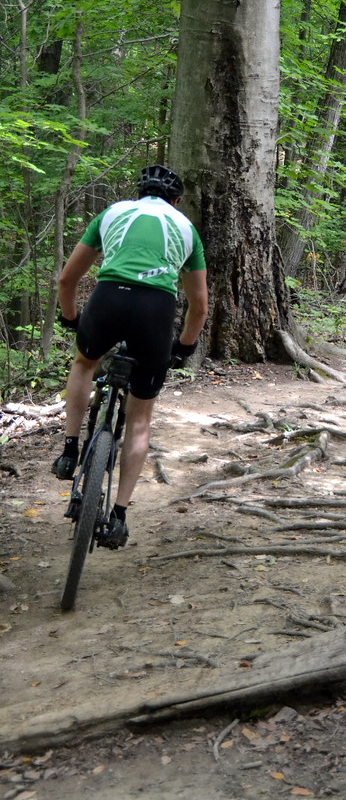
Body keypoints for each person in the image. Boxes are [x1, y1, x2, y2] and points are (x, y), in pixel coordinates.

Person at [53, 164, 209, 548]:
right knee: (141, 418)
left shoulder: (112, 213)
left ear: (140, 193)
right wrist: (184, 346)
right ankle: (119, 515)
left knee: (84, 363)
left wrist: (71, 317)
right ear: (176, 200)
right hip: (154, 312)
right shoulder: (186, 228)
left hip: (108, 300)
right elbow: (199, 306)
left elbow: (66, 279)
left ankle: (70, 448)